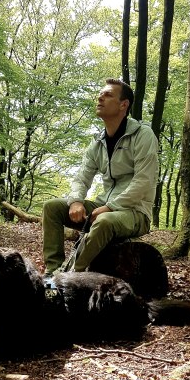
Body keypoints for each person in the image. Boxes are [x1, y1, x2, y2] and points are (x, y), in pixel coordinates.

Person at [42, 78, 158, 275]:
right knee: (52, 207)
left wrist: (110, 207)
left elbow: (144, 182)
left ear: (124, 105)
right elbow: (82, 177)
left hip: (135, 212)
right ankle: (51, 272)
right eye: (100, 93)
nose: (100, 97)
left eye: (108, 95)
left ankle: (68, 276)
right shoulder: (97, 143)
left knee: (105, 221)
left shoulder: (142, 135)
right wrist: (76, 201)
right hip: (103, 206)